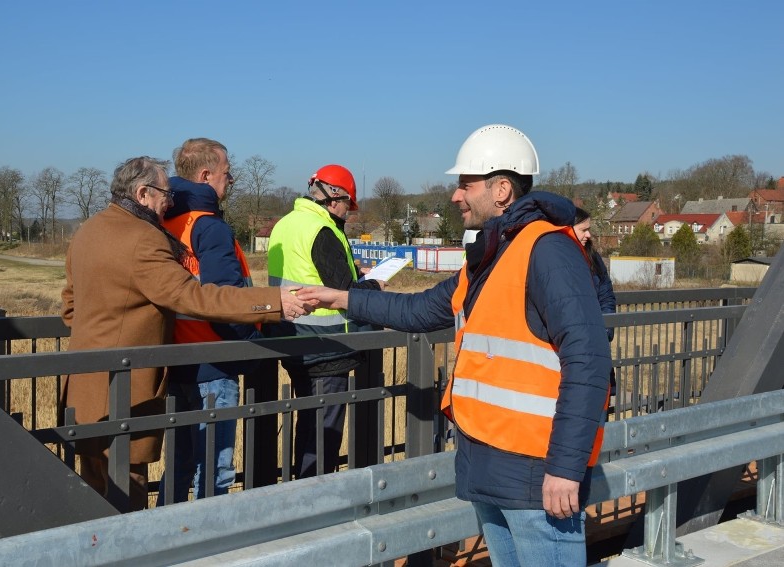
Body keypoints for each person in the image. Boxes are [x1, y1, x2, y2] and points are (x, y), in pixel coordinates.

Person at [298, 124, 612, 565]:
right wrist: (342, 298)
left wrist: (564, 467)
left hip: (535, 472)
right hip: (489, 463)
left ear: (501, 189)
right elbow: (420, 311)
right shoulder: (494, 255)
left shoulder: (546, 251)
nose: (455, 196)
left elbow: (589, 359)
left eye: (465, 184)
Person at [61, 156, 313, 511]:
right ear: (143, 193)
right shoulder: (144, 239)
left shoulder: (87, 230)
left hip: (84, 389)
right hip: (124, 391)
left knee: (92, 499)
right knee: (125, 499)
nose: (171, 200)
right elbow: (193, 296)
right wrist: (273, 303)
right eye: (165, 193)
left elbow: (70, 309)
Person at [155, 138, 258, 504]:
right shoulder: (209, 226)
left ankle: (167, 542)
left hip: (177, 359)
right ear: (205, 174)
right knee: (215, 469)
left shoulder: (164, 221)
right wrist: (253, 335)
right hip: (213, 362)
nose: (230, 181)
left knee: (181, 463)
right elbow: (224, 300)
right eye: (227, 174)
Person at [267, 164, 382, 478]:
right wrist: (374, 285)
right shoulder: (322, 229)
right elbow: (344, 292)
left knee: (307, 429)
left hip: (293, 340)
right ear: (334, 198)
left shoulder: (286, 224)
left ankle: (303, 499)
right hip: (327, 347)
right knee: (322, 437)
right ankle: (314, 507)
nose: (348, 212)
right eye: (348, 204)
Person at [574, 207, 617, 396]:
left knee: (600, 400)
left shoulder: (593, 258)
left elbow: (606, 295)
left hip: (597, 344)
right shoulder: (553, 259)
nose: (589, 235)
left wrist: (605, 328)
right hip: (573, 347)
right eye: (583, 230)